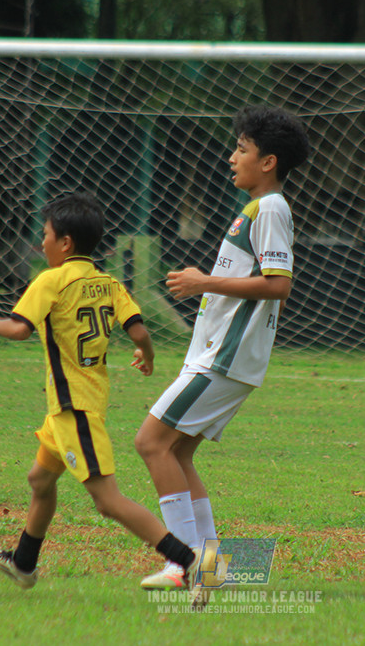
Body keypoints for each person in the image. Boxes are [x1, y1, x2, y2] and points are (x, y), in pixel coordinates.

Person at [0, 191, 197, 589]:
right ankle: (24, 564)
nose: (42, 243)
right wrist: (146, 356)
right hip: (71, 407)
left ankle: (189, 560)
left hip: (75, 409)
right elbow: (140, 331)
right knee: (40, 480)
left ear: (66, 243)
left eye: (45, 235)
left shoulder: (51, 280)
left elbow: (21, 328)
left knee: (107, 501)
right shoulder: (108, 283)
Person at [133, 105, 310, 593]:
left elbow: (278, 285)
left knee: (150, 443)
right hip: (219, 357)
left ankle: (181, 564)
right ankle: (212, 570)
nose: (232, 157)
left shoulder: (272, 207)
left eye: (242, 149)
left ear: (268, 161)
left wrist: (201, 281)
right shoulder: (256, 207)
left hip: (225, 358)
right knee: (179, 455)